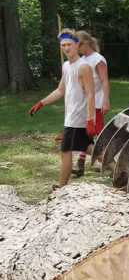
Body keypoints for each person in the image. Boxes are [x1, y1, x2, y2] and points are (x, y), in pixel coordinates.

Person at [28, 29, 97, 188]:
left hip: (78, 118)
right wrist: (40, 103)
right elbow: (60, 90)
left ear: (77, 45)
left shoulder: (83, 67)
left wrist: (90, 119)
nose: (66, 48)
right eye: (63, 45)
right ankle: (119, 170)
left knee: (65, 151)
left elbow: (91, 95)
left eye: (70, 45)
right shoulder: (66, 66)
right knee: (88, 148)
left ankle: (61, 189)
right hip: (71, 116)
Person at [72, 30, 110, 177]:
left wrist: (105, 101)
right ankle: (81, 163)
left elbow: (105, 81)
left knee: (99, 133)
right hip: (86, 102)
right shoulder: (82, 59)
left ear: (86, 43)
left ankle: (112, 163)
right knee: (87, 133)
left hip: (97, 102)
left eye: (78, 44)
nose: (76, 47)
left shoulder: (97, 59)